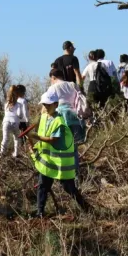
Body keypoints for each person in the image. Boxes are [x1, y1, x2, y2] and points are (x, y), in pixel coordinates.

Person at [29, 90, 90, 218]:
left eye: (48, 105)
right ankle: (40, 212)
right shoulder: (44, 117)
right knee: (42, 186)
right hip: (48, 162)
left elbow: (53, 139)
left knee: (69, 188)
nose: (45, 107)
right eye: (44, 105)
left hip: (61, 164)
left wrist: (36, 137)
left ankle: (87, 208)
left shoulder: (59, 122)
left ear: (56, 105)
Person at [48, 68, 86, 145]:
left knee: (64, 140)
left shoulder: (53, 87)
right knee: (77, 140)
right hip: (74, 113)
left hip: (61, 114)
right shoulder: (72, 84)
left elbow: (49, 102)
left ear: (53, 77)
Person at [0, 85, 28, 158]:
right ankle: (16, 153)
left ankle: (1, 154)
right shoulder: (19, 104)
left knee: (5, 138)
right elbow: (20, 114)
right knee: (16, 138)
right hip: (15, 122)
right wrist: (22, 118)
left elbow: (5, 113)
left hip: (6, 122)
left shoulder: (6, 104)